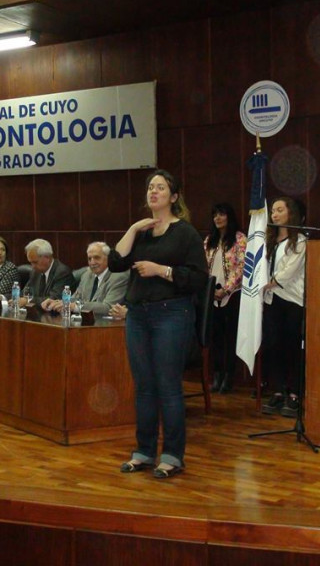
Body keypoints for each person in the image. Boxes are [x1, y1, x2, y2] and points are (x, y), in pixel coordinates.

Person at [108, 169, 207, 479]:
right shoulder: (141, 232)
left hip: (171, 314)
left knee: (167, 386)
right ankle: (144, 451)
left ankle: (173, 455)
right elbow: (115, 262)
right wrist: (134, 228)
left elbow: (198, 279)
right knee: (144, 387)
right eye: (151, 187)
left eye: (160, 188)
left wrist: (161, 270)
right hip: (138, 315)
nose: (153, 192)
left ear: (173, 197)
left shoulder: (185, 233)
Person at [261, 196, 307, 418]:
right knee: (273, 345)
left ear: (291, 213)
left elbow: (289, 271)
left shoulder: (300, 241)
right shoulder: (268, 240)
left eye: (280, 210)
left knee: (291, 347)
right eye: (273, 211)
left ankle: (295, 393)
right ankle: (278, 390)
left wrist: (269, 282)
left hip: (291, 301)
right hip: (271, 300)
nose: (275, 214)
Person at [203, 203, 246, 393]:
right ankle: (217, 374)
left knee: (230, 337)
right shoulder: (209, 240)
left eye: (221, 214)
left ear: (229, 216)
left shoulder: (239, 239)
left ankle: (229, 376)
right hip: (211, 294)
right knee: (215, 337)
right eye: (215, 215)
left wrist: (226, 289)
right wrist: (210, 289)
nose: (217, 218)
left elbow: (241, 267)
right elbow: (202, 265)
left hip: (232, 295)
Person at [41, 242, 128, 316]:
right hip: (86, 322)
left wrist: (75, 306)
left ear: (108, 259)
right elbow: (75, 298)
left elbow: (108, 307)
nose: (92, 262)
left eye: (97, 258)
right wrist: (57, 302)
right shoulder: (87, 275)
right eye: (89, 259)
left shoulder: (118, 276)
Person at [23, 239, 73, 303]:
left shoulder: (62, 272)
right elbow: (25, 293)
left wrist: (27, 301)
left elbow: (53, 299)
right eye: (31, 263)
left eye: (35, 262)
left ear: (47, 258)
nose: (32, 266)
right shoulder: (35, 272)